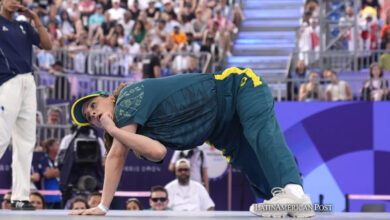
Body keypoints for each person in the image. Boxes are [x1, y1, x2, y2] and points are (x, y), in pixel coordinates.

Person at [69, 67, 315, 218]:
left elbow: (116, 156)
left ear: (108, 97)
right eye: (89, 118)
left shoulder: (127, 97)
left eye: (92, 106)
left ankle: (294, 192)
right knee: (249, 162)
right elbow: (157, 152)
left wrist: (103, 206)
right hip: (218, 128)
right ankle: (285, 202)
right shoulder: (130, 133)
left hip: (235, 88)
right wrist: (115, 131)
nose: (92, 114)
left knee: (259, 134)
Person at [0, 0, 52, 210]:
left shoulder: (23, 25)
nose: (14, 2)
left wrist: (36, 19)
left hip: (28, 82)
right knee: (2, 137)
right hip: (7, 83)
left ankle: (20, 197)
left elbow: (47, 45)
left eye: (18, 0)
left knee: (26, 142)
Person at [38, 138, 62, 209]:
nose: (59, 146)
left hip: (60, 196)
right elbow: (47, 174)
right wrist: (59, 171)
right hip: (49, 196)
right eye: (57, 144)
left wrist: (54, 171)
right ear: (50, 147)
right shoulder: (44, 159)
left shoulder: (60, 159)